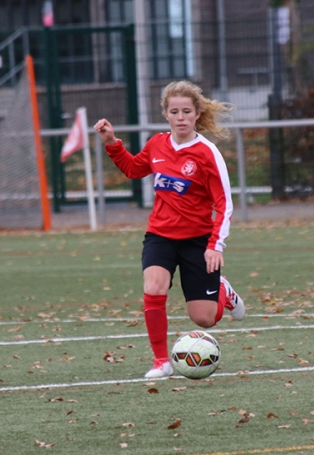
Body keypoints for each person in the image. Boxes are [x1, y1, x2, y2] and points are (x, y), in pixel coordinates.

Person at [94, 81, 245, 379]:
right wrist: (112, 142)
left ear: (197, 113)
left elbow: (224, 203)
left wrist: (215, 245)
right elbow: (133, 169)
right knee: (153, 286)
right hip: (160, 235)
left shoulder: (207, 153)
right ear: (165, 114)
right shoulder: (157, 144)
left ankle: (223, 292)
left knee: (203, 318)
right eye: (174, 111)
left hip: (198, 241)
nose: (180, 117)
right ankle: (161, 361)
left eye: (186, 111)